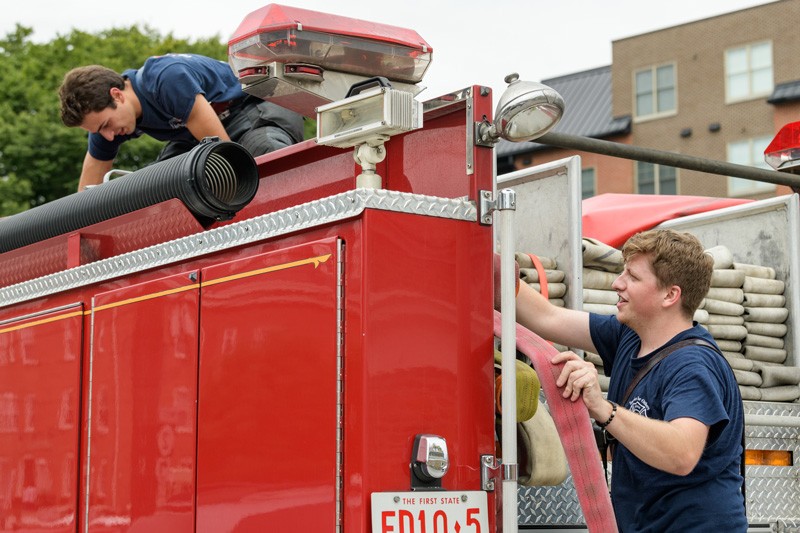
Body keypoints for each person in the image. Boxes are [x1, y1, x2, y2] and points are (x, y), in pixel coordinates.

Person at [508, 229, 746, 532]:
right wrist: (483, 257)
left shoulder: (693, 366)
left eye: (632, 277)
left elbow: (681, 453)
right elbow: (547, 318)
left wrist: (602, 408)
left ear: (670, 295)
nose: (617, 283)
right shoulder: (629, 336)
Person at [59, 53, 305, 191]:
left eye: (105, 126)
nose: (109, 136)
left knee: (263, 157)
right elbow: (87, 194)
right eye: (100, 132)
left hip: (250, 110)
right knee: (160, 187)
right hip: (197, 135)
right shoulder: (106, 120)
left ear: (117, 94)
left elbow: (225, 154)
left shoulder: (166, 78)